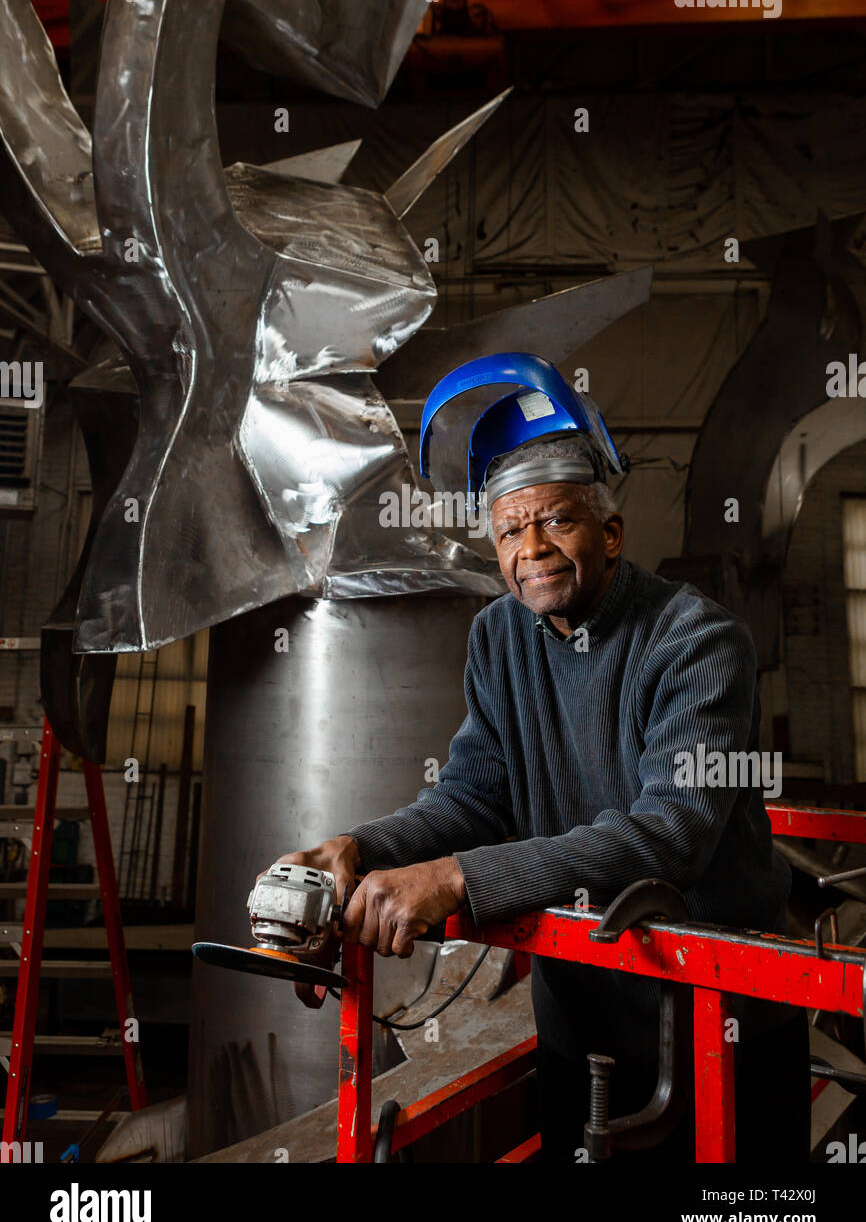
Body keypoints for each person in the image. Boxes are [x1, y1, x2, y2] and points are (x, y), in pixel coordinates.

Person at [263, 366, 811, 1164]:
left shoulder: (699, 642)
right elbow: (473, 797)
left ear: (612, 533)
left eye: (556, 521)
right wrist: (363, 849)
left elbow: (669, 836)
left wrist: (455, 880)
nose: (532, 551)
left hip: (718, 1029)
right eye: (511, 531)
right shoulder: (497, 639)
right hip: (580, 1021)